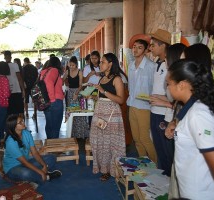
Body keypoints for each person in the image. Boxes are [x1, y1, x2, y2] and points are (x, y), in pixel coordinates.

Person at [166, 59, 214, 199]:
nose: (168, 88)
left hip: (200, 192)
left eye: (169, 84)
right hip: (190, 188)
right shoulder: (192, 107)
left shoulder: (198, 114)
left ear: (181, 85)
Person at [90, 53, 127, 181]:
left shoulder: (117, 79)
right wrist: (93, 95)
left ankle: (112, 170)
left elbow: (121, 99)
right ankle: (103, 168)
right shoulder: (102, 78)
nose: (100, 64)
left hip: (112, 114)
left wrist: (103, 91)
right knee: (99, 140)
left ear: (110, 64)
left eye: (103, 62)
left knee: (111, 142)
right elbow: (102, 96)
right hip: (100, 111)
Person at [3, 114, 62, 184]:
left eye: (22, 120)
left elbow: (34, 152)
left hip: (27, 162)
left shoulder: (26, 133)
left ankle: (36, 176)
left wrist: (44, 165)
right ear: (14, 127)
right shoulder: (10, 142)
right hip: (13, 168)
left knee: (51, 158)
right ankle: (47, 176)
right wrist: (40, 172)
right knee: (26, 173)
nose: (23, 123)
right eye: (20, 122)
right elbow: (24, 162)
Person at [127, 39, 157, 163]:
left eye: (139, 47)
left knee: (145, 138)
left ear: (145, 50)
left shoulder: (151, 66)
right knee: (136, 139)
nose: (135, 50)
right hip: (132, 105)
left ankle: (156, 164)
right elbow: (130, 86)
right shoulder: (131, 65)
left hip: (145, 107)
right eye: (134, 47)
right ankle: (144, 163)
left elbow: (154, 87)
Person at [148, 29, 171, 167]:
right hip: (154, 109)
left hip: (164, 112)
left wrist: (161, 99)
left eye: (153, 45)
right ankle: (162, 177)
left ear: (163, 46)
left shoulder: (169, 64)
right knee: (158, 146)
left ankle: (168, 178)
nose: (151, 48)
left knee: (166, 148)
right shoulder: (157, 63)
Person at [62, 56, 89, 138]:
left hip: (78, 93)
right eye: (70, 65)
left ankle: (81, 133)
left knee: (79, 112)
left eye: (73, 65)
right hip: (70, 93)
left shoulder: (80, 72)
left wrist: (76, 93)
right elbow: (62, 80)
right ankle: (72, 133)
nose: (71, 67)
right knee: (71, 112)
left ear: (76, 65)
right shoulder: (67, 72)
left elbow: (81, 85)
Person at [40, 56, 64, 139]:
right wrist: (53, 99)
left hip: (46, 101)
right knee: (55, 127)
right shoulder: (54, 70)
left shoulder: (44, 72)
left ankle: (49, 145)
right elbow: (49, 83)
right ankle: (54, 148)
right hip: (55, 101)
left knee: (49, 125)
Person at [4, 51, 25, 117]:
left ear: (4, 57)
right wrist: (23, 90)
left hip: (7, 91)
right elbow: (19, 77)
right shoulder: (15, 65)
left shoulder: (2, 66)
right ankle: (18, 124)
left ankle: (10, 125)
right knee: (18, 110)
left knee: (9, 110)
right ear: (11, 57)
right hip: (16, 90)